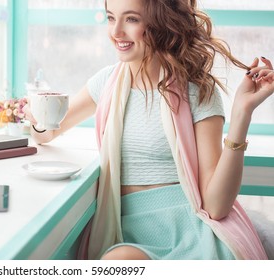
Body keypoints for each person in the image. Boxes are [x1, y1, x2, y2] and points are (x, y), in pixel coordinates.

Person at [24, 0, 274, 260]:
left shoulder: (196, 91)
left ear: (160, 22)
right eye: (111, 18)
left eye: (131, 19)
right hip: (129, 232)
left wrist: (242, 114)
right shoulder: (106, 82)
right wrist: (37, 118)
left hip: (189, 232)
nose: (116, 32)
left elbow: (216, 206)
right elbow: (49, 131)